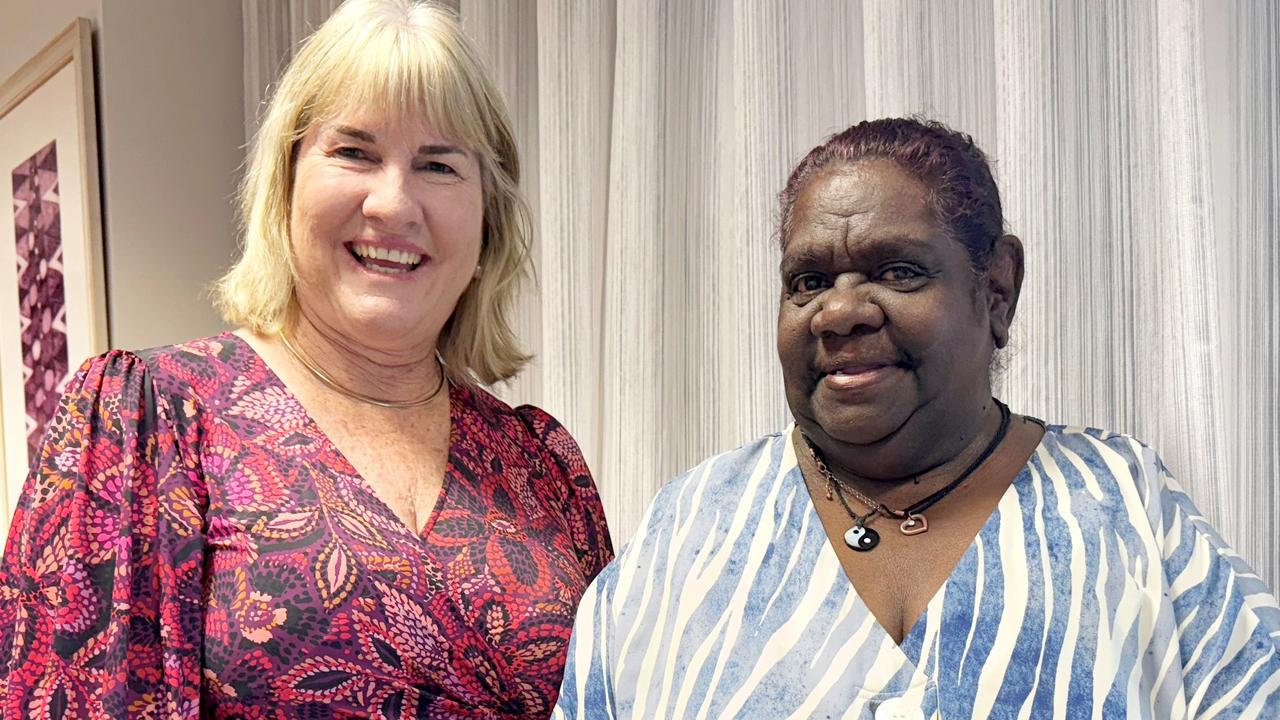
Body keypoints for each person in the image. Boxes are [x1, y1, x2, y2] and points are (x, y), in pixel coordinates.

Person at [0, 1, 612, 717]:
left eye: (438, 165)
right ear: (285, 183)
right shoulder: (147, 423)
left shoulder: (540, 465)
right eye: (354, 152)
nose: (393, 203)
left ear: (488, 216)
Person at [553, 118, 1280, 718]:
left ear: (996, 290)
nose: (839, 312)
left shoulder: (1124, 503)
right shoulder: (693, 527)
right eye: (808, 282)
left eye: (898, 271)